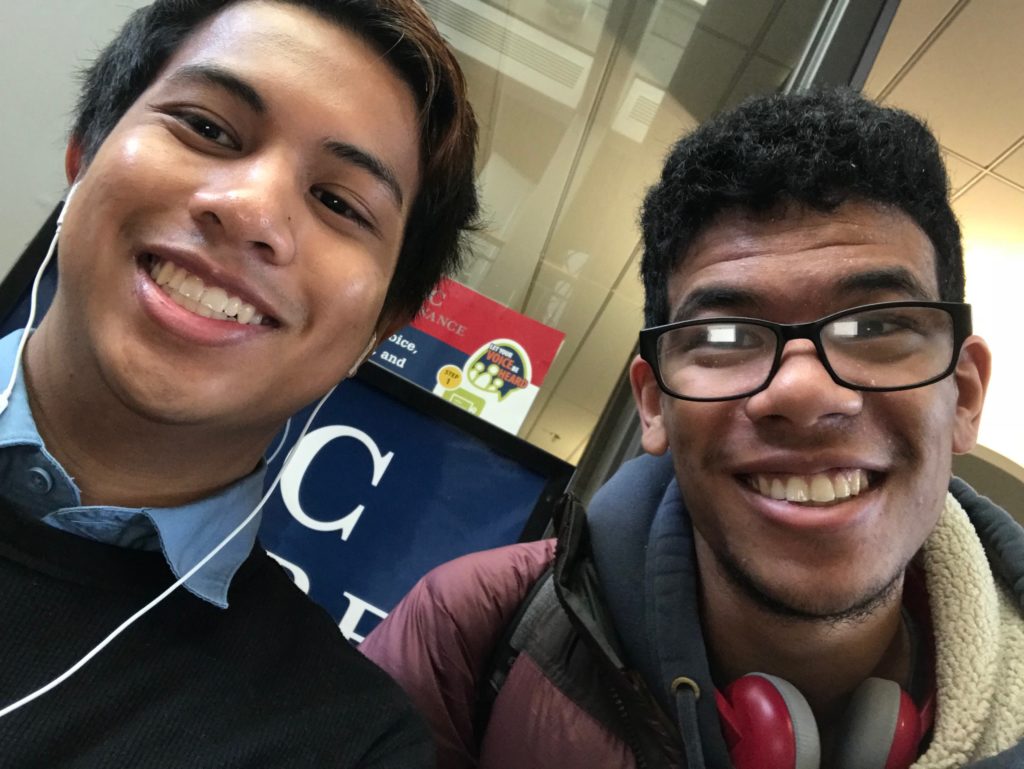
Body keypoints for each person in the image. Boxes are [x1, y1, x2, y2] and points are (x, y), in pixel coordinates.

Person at [360, 88, 1024, 768]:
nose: (801, 390)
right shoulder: (474, 628)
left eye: (877, 326)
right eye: (727, 334)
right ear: (653, 406)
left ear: (964, 394)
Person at [0, 0, 478, 766]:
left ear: (382, 325)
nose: (251, 210)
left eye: (338, 202)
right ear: (83, 152)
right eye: (208, 128)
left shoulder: (345, 743)